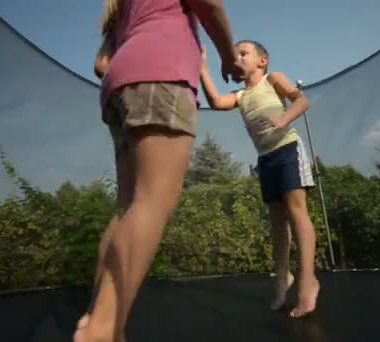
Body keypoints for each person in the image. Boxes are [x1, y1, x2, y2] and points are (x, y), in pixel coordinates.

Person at [74, 0, 242, 341]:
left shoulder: (120, 9)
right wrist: (228, 56)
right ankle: (101, 331)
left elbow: (100, 64)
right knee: (154, 199)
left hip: (118, 85)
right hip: (161, 72)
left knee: (127, 207)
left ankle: (99, 316)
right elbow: (209, 4)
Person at [199, 40, 320, 318]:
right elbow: (217, 101)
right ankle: (282, 277)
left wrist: (285, 118)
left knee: (297, 212)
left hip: (288, 149)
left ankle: (307, 281)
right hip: (266, 159)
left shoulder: (272, 79)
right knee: (277, 221)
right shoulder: (240, 96)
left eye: (244, 53)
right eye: (235, 54)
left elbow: (301, 100)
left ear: (261, 61)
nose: (238, 57)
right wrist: (202, 67)